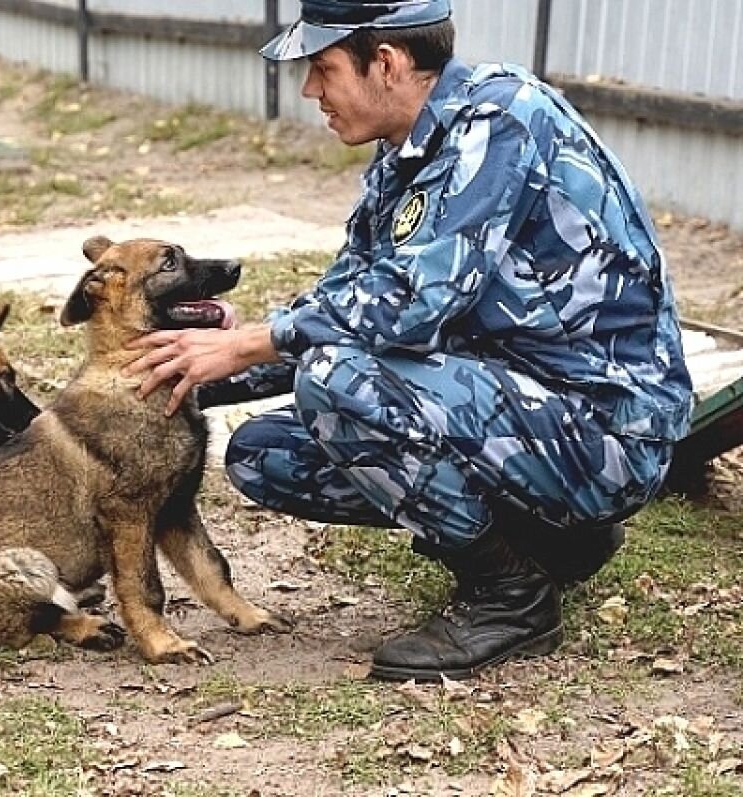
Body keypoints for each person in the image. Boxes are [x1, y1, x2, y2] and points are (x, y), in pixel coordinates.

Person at [124, 0, 693, 681]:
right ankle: (555, 540)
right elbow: (342, 300)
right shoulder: (406, 153)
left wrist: (247, 344)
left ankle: (510, 596)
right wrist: (189, 372)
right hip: (522, 403)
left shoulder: (499, 122)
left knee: (337, 382)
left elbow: (410, 304)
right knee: (265, 454)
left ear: (385, 63)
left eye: (323, 68)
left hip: (606, 430)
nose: (311, 91)